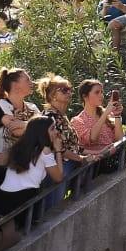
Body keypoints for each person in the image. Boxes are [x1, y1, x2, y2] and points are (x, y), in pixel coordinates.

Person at [0, 116, 63, 251]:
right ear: (42, 131)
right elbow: (58, 177)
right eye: (52, 128)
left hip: (1, 198)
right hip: (23, 199)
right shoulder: (45, 151)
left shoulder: (20, 147)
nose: (56, 132)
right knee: (13, 237)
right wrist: (58, 150)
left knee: (1, 236)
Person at [38, 76, 91, 212]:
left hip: (69, 164)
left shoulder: (61, 116)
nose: (69, 92)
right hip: (59, 166)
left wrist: (92, 154)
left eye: (70, 90)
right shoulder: (50, 117)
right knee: (52, 208)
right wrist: (80, 158)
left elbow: (73, 146)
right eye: (64, 90)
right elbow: (58, 148)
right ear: (52, 95)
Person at [0, 67, 39, 167]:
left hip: (28, 164)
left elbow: (44, 129)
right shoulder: (1, 104)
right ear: (16, 86)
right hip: (5, 166)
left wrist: (23, 124)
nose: (31, 82)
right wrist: (35, 128)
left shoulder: (32, 107)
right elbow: (16, 131)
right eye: (27, 80)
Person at [70, 80, 124, 160]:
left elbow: (119, 139)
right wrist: (105, 114)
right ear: (85, 96)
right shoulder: (77, 121)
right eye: (97, 92)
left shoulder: (108, 114)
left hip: (116, 159)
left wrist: (117, 115)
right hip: (97, 165)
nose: (101, 95)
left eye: (101, 92)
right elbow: (92, 138)